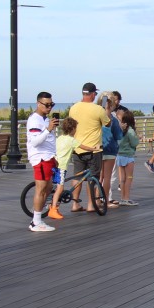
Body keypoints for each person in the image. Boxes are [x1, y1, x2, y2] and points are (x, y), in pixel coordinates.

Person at [68, 81, 110, 212]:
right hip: (94, 149)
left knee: (77, 176)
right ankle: (91, 205)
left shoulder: (73, 108)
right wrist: (106, 110)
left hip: (77, 147)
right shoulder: (98, 109)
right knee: (93, 177)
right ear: (92, 94)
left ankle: (75, 204)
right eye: (95, 94)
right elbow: (107, 124)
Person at [50, 117, 99, 218]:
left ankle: (54, 206)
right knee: (60, 188)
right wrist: (94, 148)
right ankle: (53, 209)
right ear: (72, 129)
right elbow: (84, 147)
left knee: (57, 186)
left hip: (54, 163)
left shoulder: (60, 138)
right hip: (61, 167)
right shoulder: (72, 140)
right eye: (75, 128)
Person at [25, 91, 59, 231]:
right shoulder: (35, 120)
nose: (49, 107)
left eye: (52, 104)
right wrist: (48, 129)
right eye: (47, 105)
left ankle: (37, 218)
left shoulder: (45, 119)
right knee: (41, 189)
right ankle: (36, 221)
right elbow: (35, 142)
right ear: (38, 104)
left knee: (48, 188)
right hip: (40, 157)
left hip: (48, 156)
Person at [98, 91, 123, 208]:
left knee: (98, 177)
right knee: (107, 177)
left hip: (96, 148)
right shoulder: (112, 119)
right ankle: (106, 200)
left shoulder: (96, 116)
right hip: (110, 149)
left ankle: (96, 200)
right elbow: (118, 136)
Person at [116, 109, 139, 205]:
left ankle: (122, 198)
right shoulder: (130, 131)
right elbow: (134, 143)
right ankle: (127, 198)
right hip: (128, 156)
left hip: (119, 156)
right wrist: (138, 138)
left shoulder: (120, 130)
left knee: (122, 179)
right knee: (129, 177)